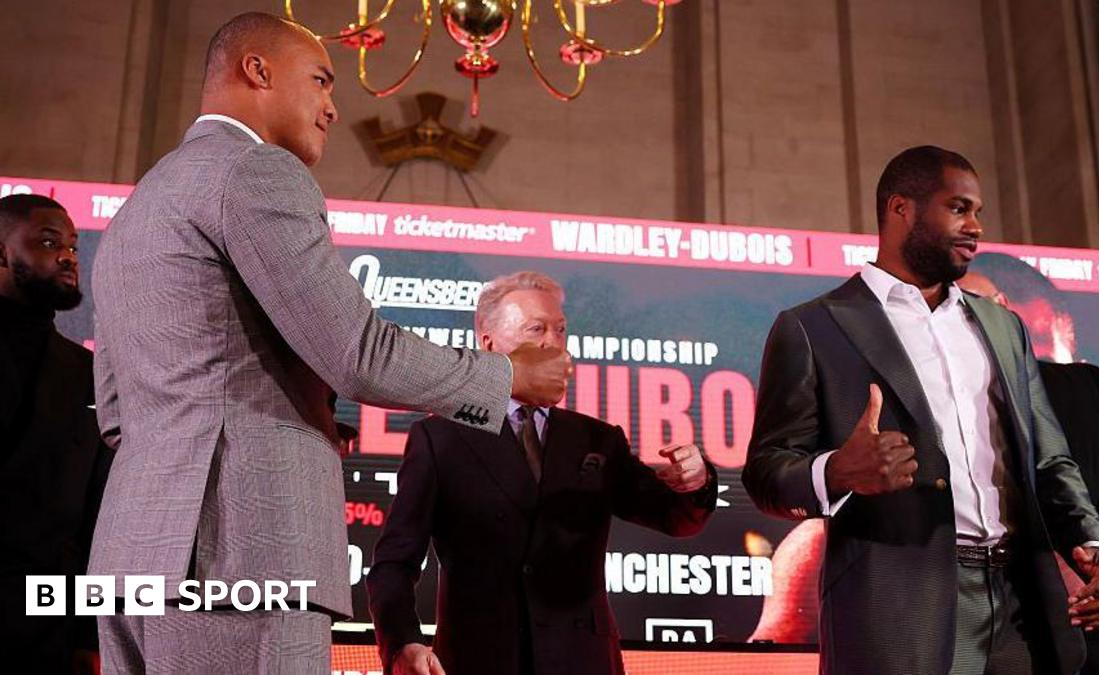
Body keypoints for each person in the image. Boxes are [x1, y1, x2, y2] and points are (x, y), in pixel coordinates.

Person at [87, 13, 570, 673]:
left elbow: (116, 415)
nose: (333, 107)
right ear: (256, 70)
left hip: (129, 557)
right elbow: (356, 351)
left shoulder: (137, 209)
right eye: (319, 81)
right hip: (241, 551)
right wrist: (505, 376)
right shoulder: (257, 171)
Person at [742, 145, 1099, 675]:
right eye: (959, 208)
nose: (976, 227)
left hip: (1022, 609)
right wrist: (837, 470)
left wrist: (1093, 547)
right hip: (900, 612)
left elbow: (1051, 462)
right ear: (902, 209)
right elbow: (765, 472)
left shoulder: (1000, 327)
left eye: (978, 212)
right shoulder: (814, 327)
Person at [367, 271, 717, 675]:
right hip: (480, 661)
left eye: (561, 330)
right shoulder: (440, 438)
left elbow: (674, 517)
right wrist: (401, 643)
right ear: (488, 343)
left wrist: (697, 481)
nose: (553, 342)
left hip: (582, 662)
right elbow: (394, 562)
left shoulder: (597, 439)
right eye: (537, 329)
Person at [961, 261, 1099, 675]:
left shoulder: (1088, 385)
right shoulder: (941, 406)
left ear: (1004, 309)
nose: (968, 318)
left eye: (978, 303)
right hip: (1001, 618)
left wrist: (1094, 551)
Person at [0, 194, 111, 674]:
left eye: (71, 244)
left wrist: (88, 635)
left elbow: (99, 516)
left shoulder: (90, 373)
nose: (68, 255)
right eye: (48, 242)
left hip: (47, 632)